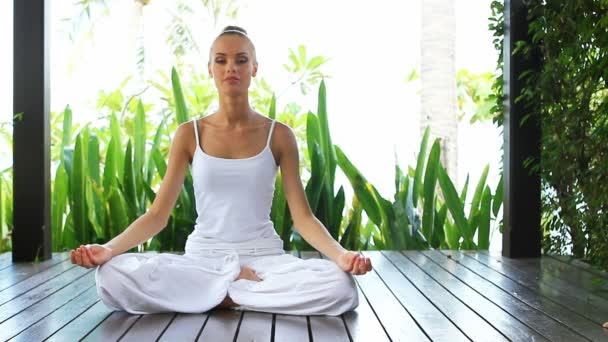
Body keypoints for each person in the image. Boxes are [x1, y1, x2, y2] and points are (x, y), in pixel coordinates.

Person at [70, 25, 372, 316]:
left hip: (264, 259)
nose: (231, 68)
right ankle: (234, 292)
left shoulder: (279, 135)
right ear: (210, 69)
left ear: (254, 68)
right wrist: (108, 250)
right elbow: (157, 216)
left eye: (241, 60)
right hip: (204, 260)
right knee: (110, 277)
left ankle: (212, 297)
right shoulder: (190, 134)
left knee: (340, 288)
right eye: (221, 60)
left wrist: (341, 255)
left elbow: (303, 218)